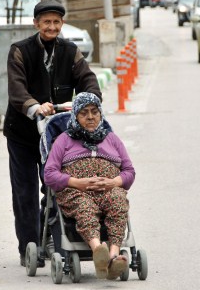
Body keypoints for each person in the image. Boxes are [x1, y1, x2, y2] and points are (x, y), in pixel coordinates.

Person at [3, 0, 102, 267]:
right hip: (23, 132)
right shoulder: (20, 50)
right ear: (36, 24)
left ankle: (54, 240)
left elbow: (88, 79)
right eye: (46, 21)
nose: (52, 26)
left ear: (62, 24)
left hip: (57, 133)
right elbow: (17, 89)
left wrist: (88, 99)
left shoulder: (71, 51)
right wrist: (35, 106)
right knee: (24, 192)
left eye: (57, 22)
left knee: (56, 186)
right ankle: (29, 247)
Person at [44, 92, 136, 280]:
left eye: (95, 112)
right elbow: (50, 174)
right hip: (76, 192)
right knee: (84, 207)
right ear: (76, 116)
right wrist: (77, 183)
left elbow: (129, 171)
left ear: (101, 114)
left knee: (119, 202)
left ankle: (113, 256)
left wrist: (114, 182)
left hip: (108, 189)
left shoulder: (112, 139)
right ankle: (98, 251)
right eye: (84, 113)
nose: (91, 117)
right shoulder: (64, 140)